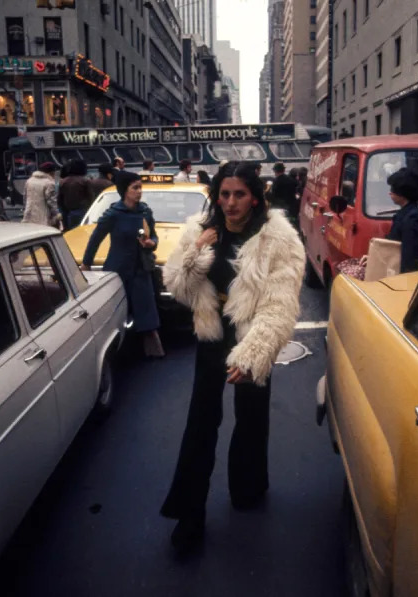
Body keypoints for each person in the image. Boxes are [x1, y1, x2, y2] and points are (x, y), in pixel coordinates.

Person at [160, 161, 305, 555]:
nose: (230, 202)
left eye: (239, 194)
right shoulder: (200, 230)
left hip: (254, 336)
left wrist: (254, 355)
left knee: (252, 418)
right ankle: (189, 513)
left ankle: (248, 486)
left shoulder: (280, 239)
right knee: (201, 424)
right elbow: (177, 287)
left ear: (255, 197)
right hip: (212, 337)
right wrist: (196, 251)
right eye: (224, 194)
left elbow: (279, 306)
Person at [81, 171, 165, 358]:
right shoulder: (114, 214)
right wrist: (86, 264)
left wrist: (152, 243)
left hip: (141, 268)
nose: (139, 192)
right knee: (116, 312)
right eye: (135, 188)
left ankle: (152, 350)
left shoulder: (145, 211)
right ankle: (118, 352)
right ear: (124, 191)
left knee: (147, 311)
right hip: (117, 270)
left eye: (140, 187)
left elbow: (154, 236)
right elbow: (95, 239)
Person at [385, 168, 418, 273]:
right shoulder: (405, 214)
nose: (389, 193)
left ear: (403, 193)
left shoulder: (412, 220)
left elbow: (410, 259)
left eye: (393, 190)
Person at [22, 162, 62, 227]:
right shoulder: (49, 183)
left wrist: (25, 210)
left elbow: (25, 198)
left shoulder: (29, 181)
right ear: (51, 172)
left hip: (29, 215)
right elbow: (51, 202)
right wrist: (57, 214)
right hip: (43, 216)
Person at [58, 159, 94, 230]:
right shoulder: (85, 181)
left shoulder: (63, 182)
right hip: (82, 211)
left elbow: (60, 200)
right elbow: (91, 197)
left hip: (67, 212)